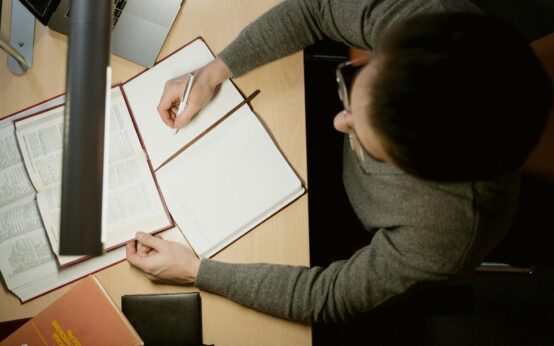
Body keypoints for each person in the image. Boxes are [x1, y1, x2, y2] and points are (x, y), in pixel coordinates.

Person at [126, 0, 552, 324]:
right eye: (353, 86)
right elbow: (318, 8)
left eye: (365, 141)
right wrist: (212, 72)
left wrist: (196, 271)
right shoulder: (430, 25)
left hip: (345, 225)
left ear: (419, 172)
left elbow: (328, 296)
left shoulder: (447, 230)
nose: (337, 120)